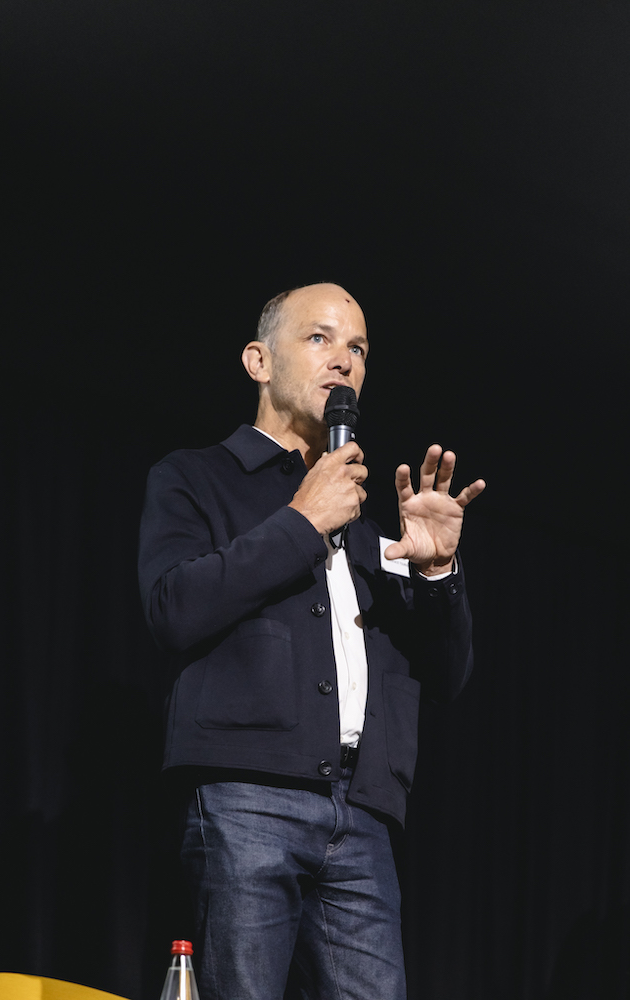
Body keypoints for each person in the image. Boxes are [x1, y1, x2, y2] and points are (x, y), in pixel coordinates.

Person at [138, 282, 485, 1000]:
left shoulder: (367, 530)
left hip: (361, 815)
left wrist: (436, 572)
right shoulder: (195, 477)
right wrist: (301, 522)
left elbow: (446, 675)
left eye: (357, 348)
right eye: (319, 338)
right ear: (258, 361)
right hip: (246, 796)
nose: (343, 360)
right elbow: (173, 608)